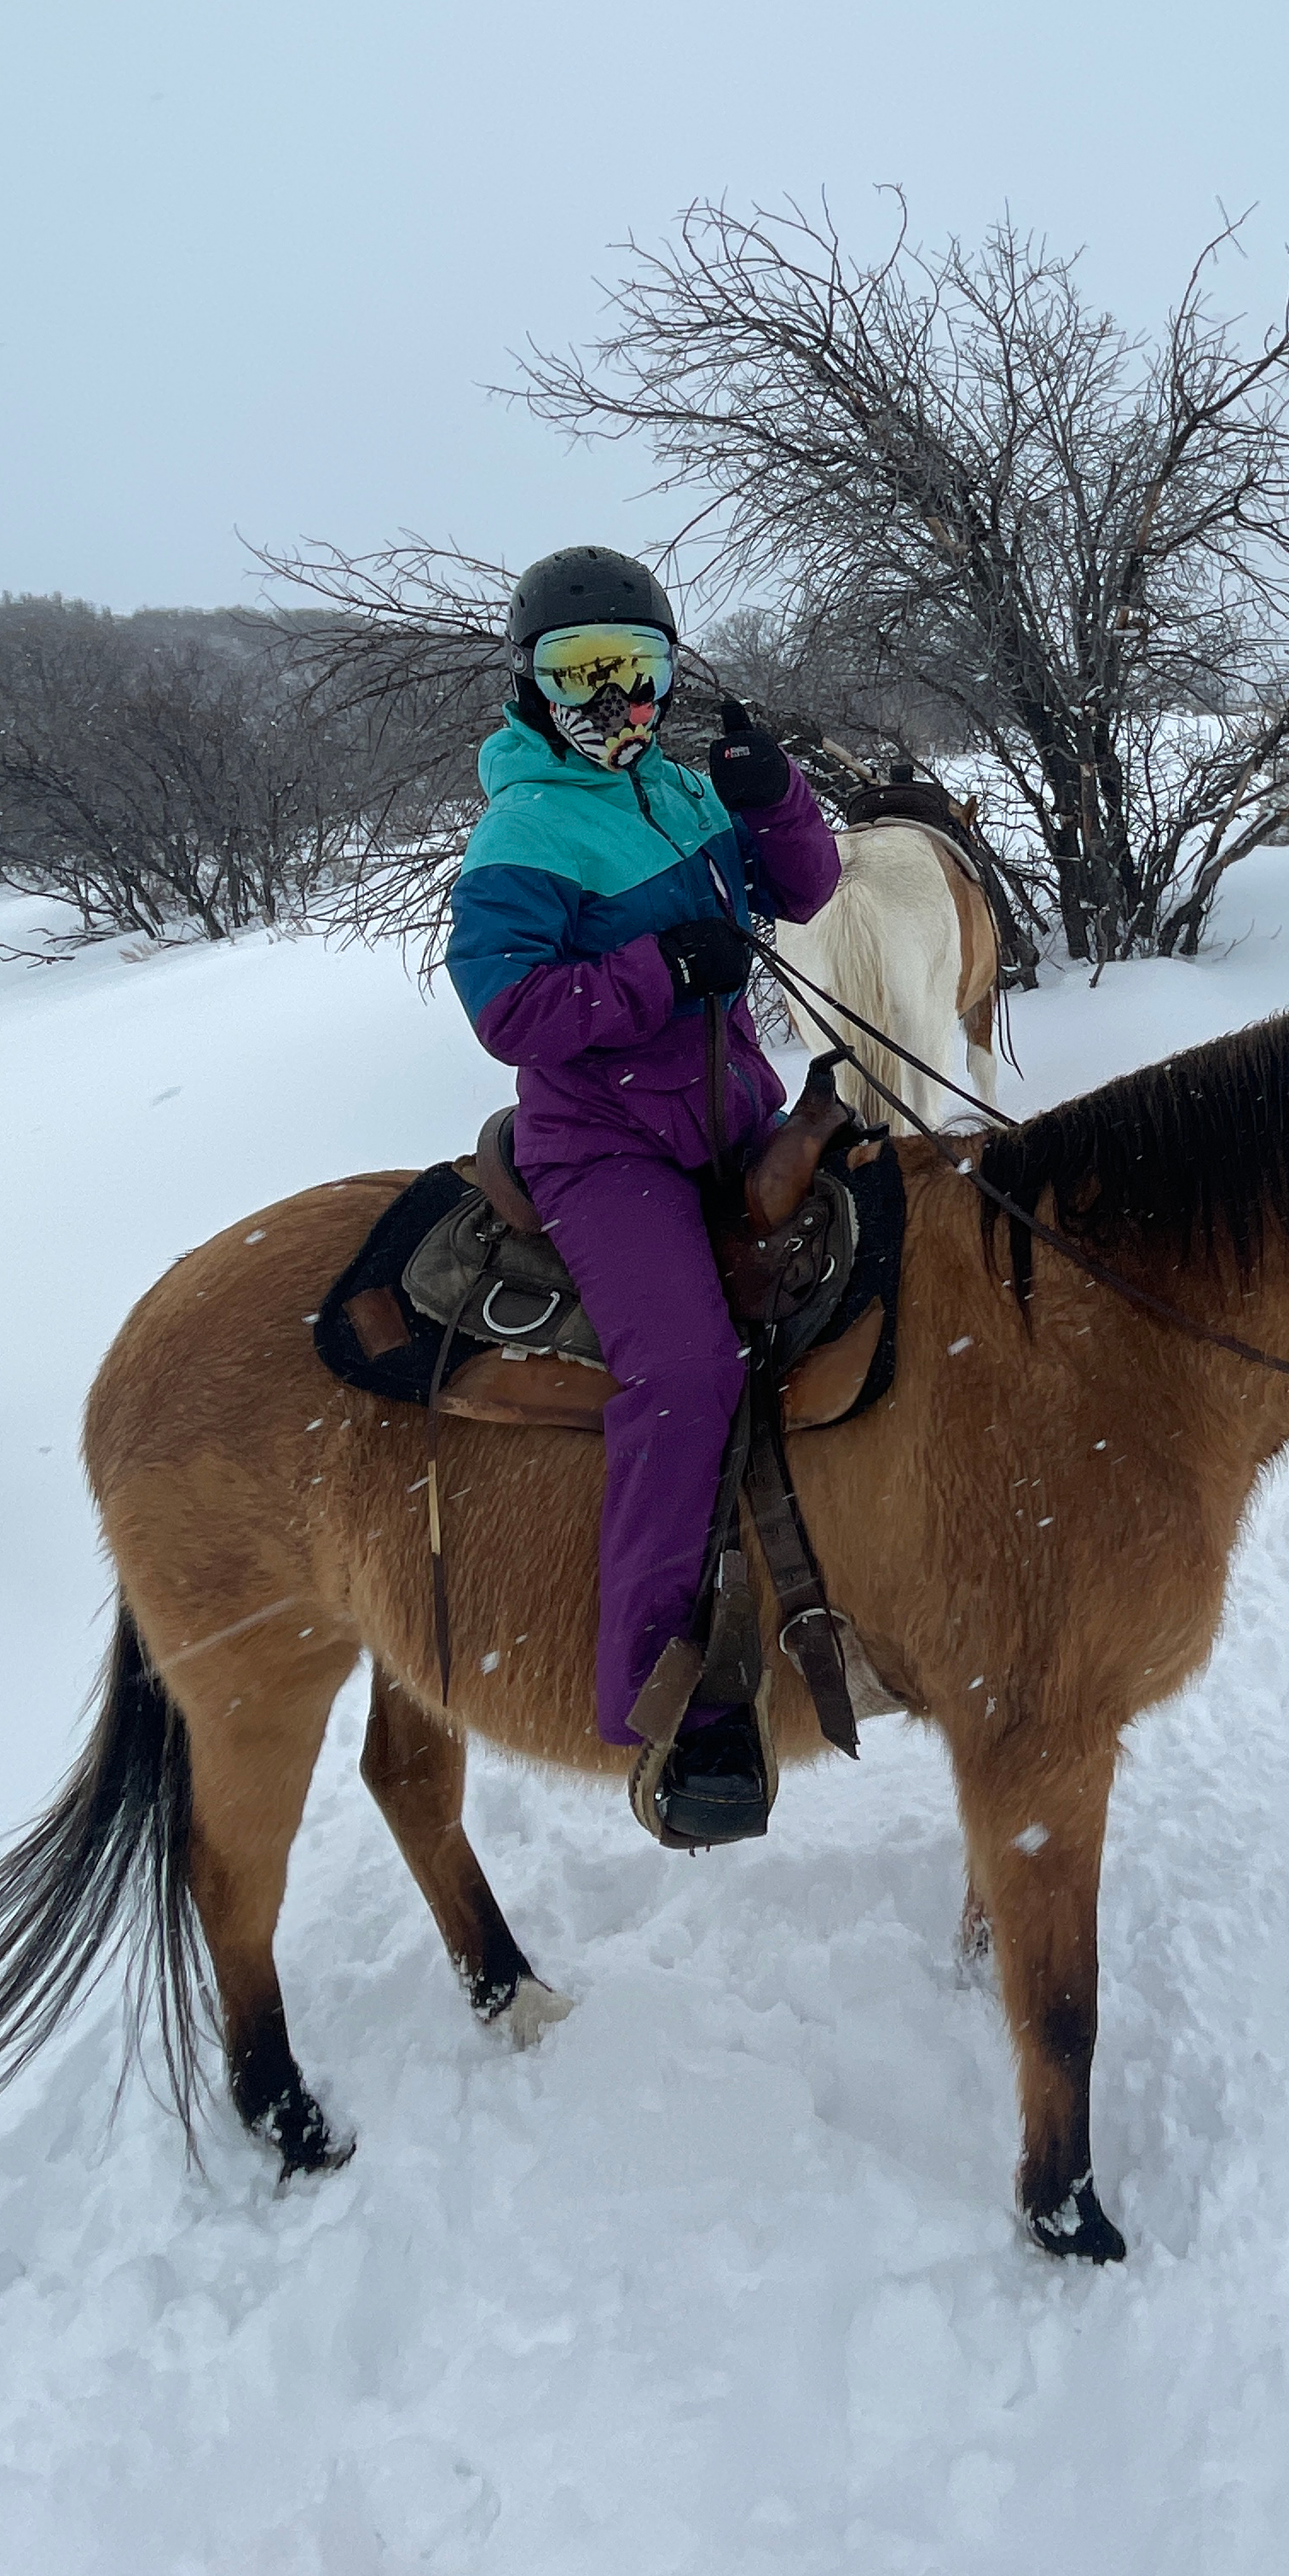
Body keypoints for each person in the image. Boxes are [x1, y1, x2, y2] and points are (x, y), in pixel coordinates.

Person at [443, 547, 841, 1844]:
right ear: (532, 687)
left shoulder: (678, 789)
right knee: (685, 1372)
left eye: (638, 671)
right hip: (607, 1147)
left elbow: (808, 889)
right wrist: (661, 969)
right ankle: (673, 1699)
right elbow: (509, 1010)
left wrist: (773, 798)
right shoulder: (523, 831)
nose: (614, 700)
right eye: (581, 676)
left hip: (735, 1116)